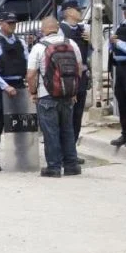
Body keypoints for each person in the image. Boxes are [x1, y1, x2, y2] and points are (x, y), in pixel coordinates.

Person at [26, 16, 83, 177]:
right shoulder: (71, 44)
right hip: (67, 95)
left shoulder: (39, 47)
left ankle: (54, 167)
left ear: (43, 30)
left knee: (51, 132)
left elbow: (31, 74)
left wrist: (33, 93)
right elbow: (79, 68)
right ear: (57, 27)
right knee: (67, 130)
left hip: (46, 96)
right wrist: (73, 91)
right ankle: (71, 165)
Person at [0, 12, 27, 171]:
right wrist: (4, 86)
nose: (12, 26)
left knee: (21, 122)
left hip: (19, 86)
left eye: (14, 23)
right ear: (1, 23)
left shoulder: (20, 41)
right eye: (9, 23)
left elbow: (27, 63)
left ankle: (22, 155)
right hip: (0, 87)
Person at [59, 0, 90, 161]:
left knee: (77, 116)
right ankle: (63, 152)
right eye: (78, 10)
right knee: (66, 116)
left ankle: (71, 152)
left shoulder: (83, 30)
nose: (80, 12)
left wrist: (91, 40)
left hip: (82, 78)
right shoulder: (60, 31)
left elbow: (93, 52)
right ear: (68, 11)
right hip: (66, 78)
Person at [110, 0, 126, 147]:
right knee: (122, 100)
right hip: (121, 68)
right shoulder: (121, 25)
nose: (125, 12)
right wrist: (112, 42)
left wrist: (118, 43)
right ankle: (125, 134)